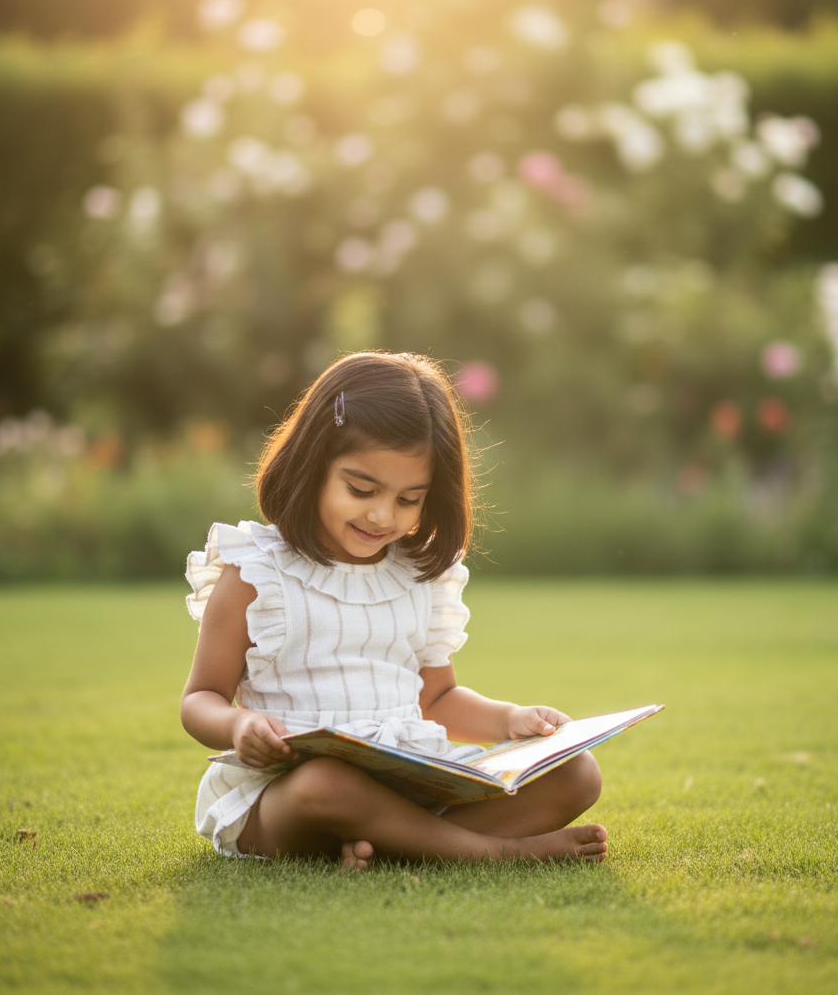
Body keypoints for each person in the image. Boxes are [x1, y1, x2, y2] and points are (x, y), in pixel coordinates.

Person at [181, 351, 605, 868]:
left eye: (409, 500)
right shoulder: (257, 573)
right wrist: (238, 727)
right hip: (287, 798)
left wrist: (510, 719)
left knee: (577, 772)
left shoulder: (418, 575)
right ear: (313, 464)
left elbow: (438, 699)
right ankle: (491, 853)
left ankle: (391, 847)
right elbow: (200, 698)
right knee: (327, 783)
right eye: (361, 490)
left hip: (407, 783)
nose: (382, 515)